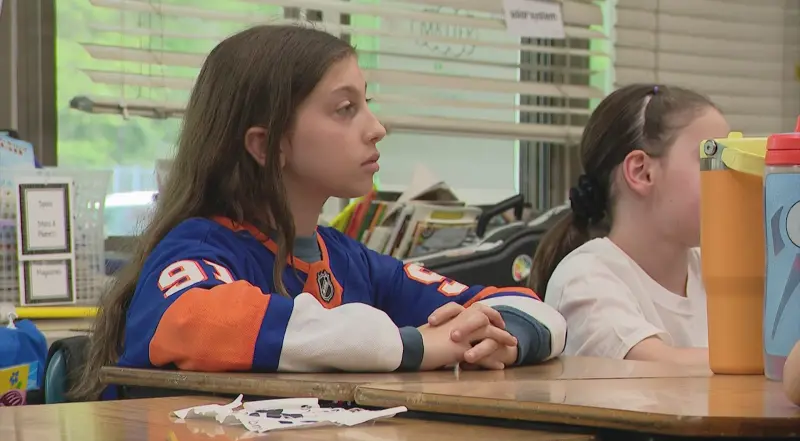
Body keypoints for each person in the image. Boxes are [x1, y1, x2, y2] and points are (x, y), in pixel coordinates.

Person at [70, 25, 566, 401]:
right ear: (267, 145)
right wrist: (415, 346)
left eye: (366, 102)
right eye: (344, 109)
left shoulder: (352, 260)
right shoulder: (195, 249)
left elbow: (535, 309)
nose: (377, 128)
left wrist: (499, 339)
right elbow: (198, 318)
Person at [529, 84, 730, 366]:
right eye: (712, 158)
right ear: (641, 171)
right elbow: (655, 368)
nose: (731, 177)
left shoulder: (720, 271)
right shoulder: (585, 279)